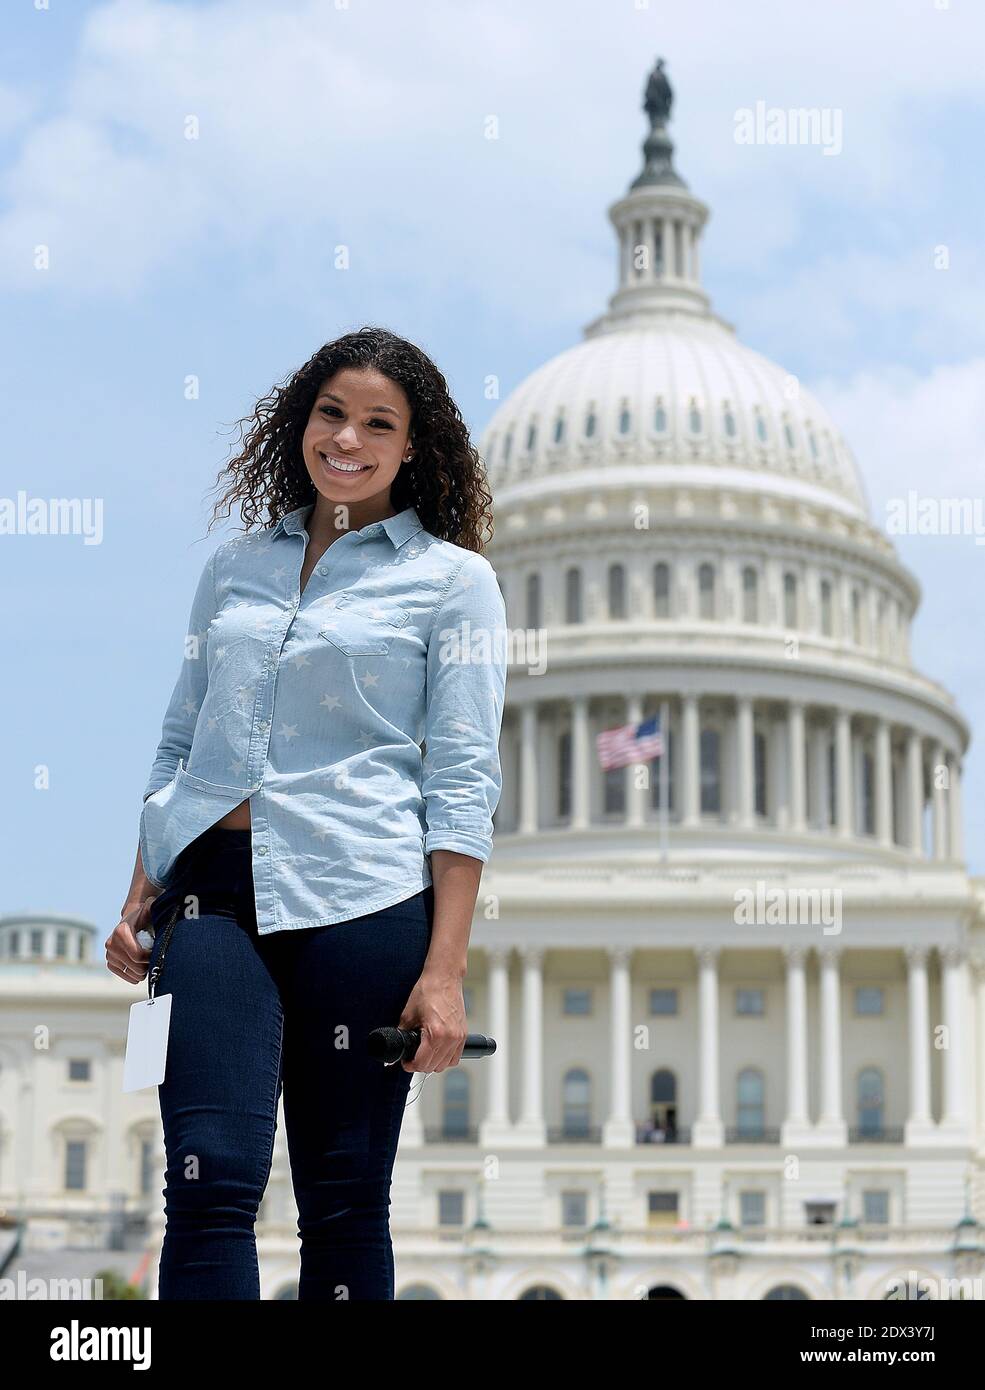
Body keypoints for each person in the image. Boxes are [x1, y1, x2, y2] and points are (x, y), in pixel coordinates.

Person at [106, 326, 509, 1300]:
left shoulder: (454, 582)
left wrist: (443, 974)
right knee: (205, 1183)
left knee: (342, 1201)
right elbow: (179, 742)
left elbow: (461, 779)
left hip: (362, 900)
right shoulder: (234, 567)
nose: (348, 438)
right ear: (301, 421)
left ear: (412, 446)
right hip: (210, 898)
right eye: (332, 413)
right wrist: (138, 893)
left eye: (379, 422)